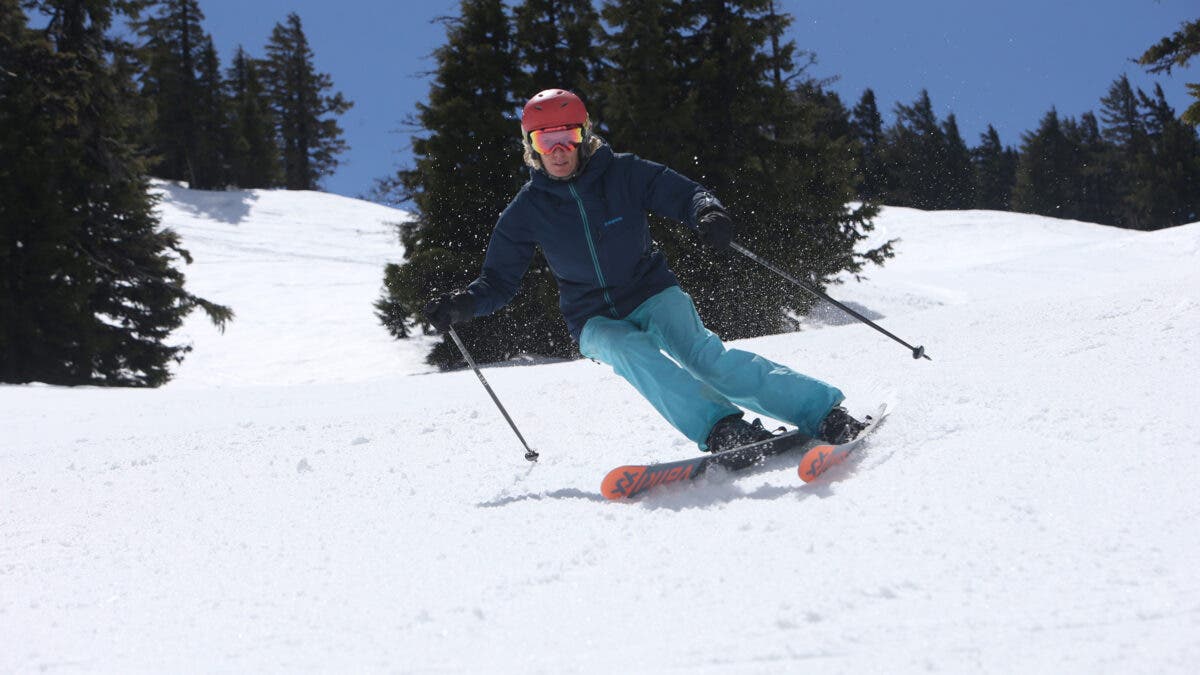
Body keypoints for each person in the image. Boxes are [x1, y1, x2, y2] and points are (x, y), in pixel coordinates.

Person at [425, 88, 865, 453]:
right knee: (633, 352)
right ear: (531, 147)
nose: (558, 152)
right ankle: (722, 429)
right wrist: (464, 304)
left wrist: (706, 211)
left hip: (652, 291)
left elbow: (682, 193)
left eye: (566, 137)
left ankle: (822, 412)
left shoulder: (623, 173)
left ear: (583, 136)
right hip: (591, 317)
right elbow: (499, 282)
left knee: (706, 359)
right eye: (545, 142)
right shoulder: (527, 210)